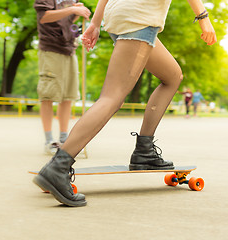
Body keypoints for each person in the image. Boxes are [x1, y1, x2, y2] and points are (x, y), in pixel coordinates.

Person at [33, 0, 217, 207]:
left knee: (172, 76)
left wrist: (95, 22)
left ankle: (144, 151)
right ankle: (58, 167)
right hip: (139, 17)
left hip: (120, 14)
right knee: (112, 97)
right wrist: (203, 18)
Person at [34, 0, 91, 155]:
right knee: (48, 95)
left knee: (68, 96)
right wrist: (72, 9)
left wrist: (75, 13)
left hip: (69, 49)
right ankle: (49, 141)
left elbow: (66, 21)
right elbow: (44, 17)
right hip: (50, 49)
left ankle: (64, 139)